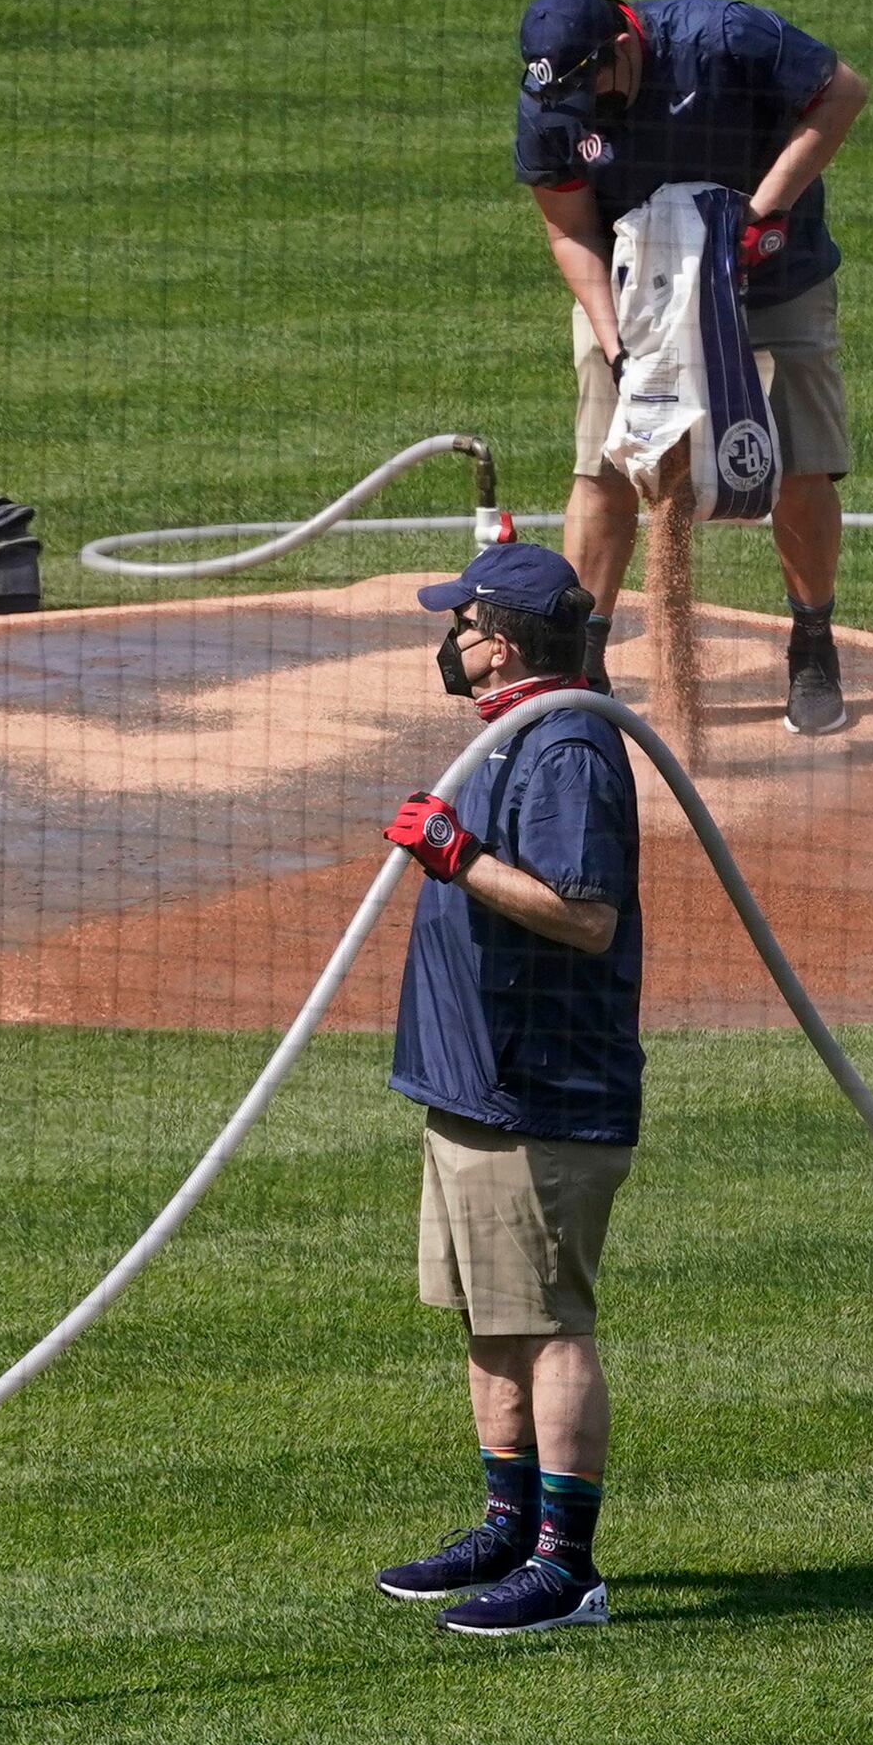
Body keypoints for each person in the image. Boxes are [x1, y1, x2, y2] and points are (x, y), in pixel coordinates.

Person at [369, 542, 642, 1639]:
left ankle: (565, 1567)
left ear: (504, 640)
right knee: (490, 1317)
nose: (448, 638)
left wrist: (454, 857)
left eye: (463, 620)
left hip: (539, 1091)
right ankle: (505, 1523)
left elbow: (585, 917)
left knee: (548, 1322)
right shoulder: (516, 727)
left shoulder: (567, 744)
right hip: (472, 1085)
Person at [516, 0, 870, 737]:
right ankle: (586, 661)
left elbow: (841, 92)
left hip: (774, 272)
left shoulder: (724, 38)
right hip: (634, 285)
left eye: (594, 92)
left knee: (801, 461)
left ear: (621, 47)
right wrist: (617, 351)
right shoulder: (551, 105)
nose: (586, 114)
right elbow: (570, 233)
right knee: (604, 464)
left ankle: (812, 645)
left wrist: (763, 210)